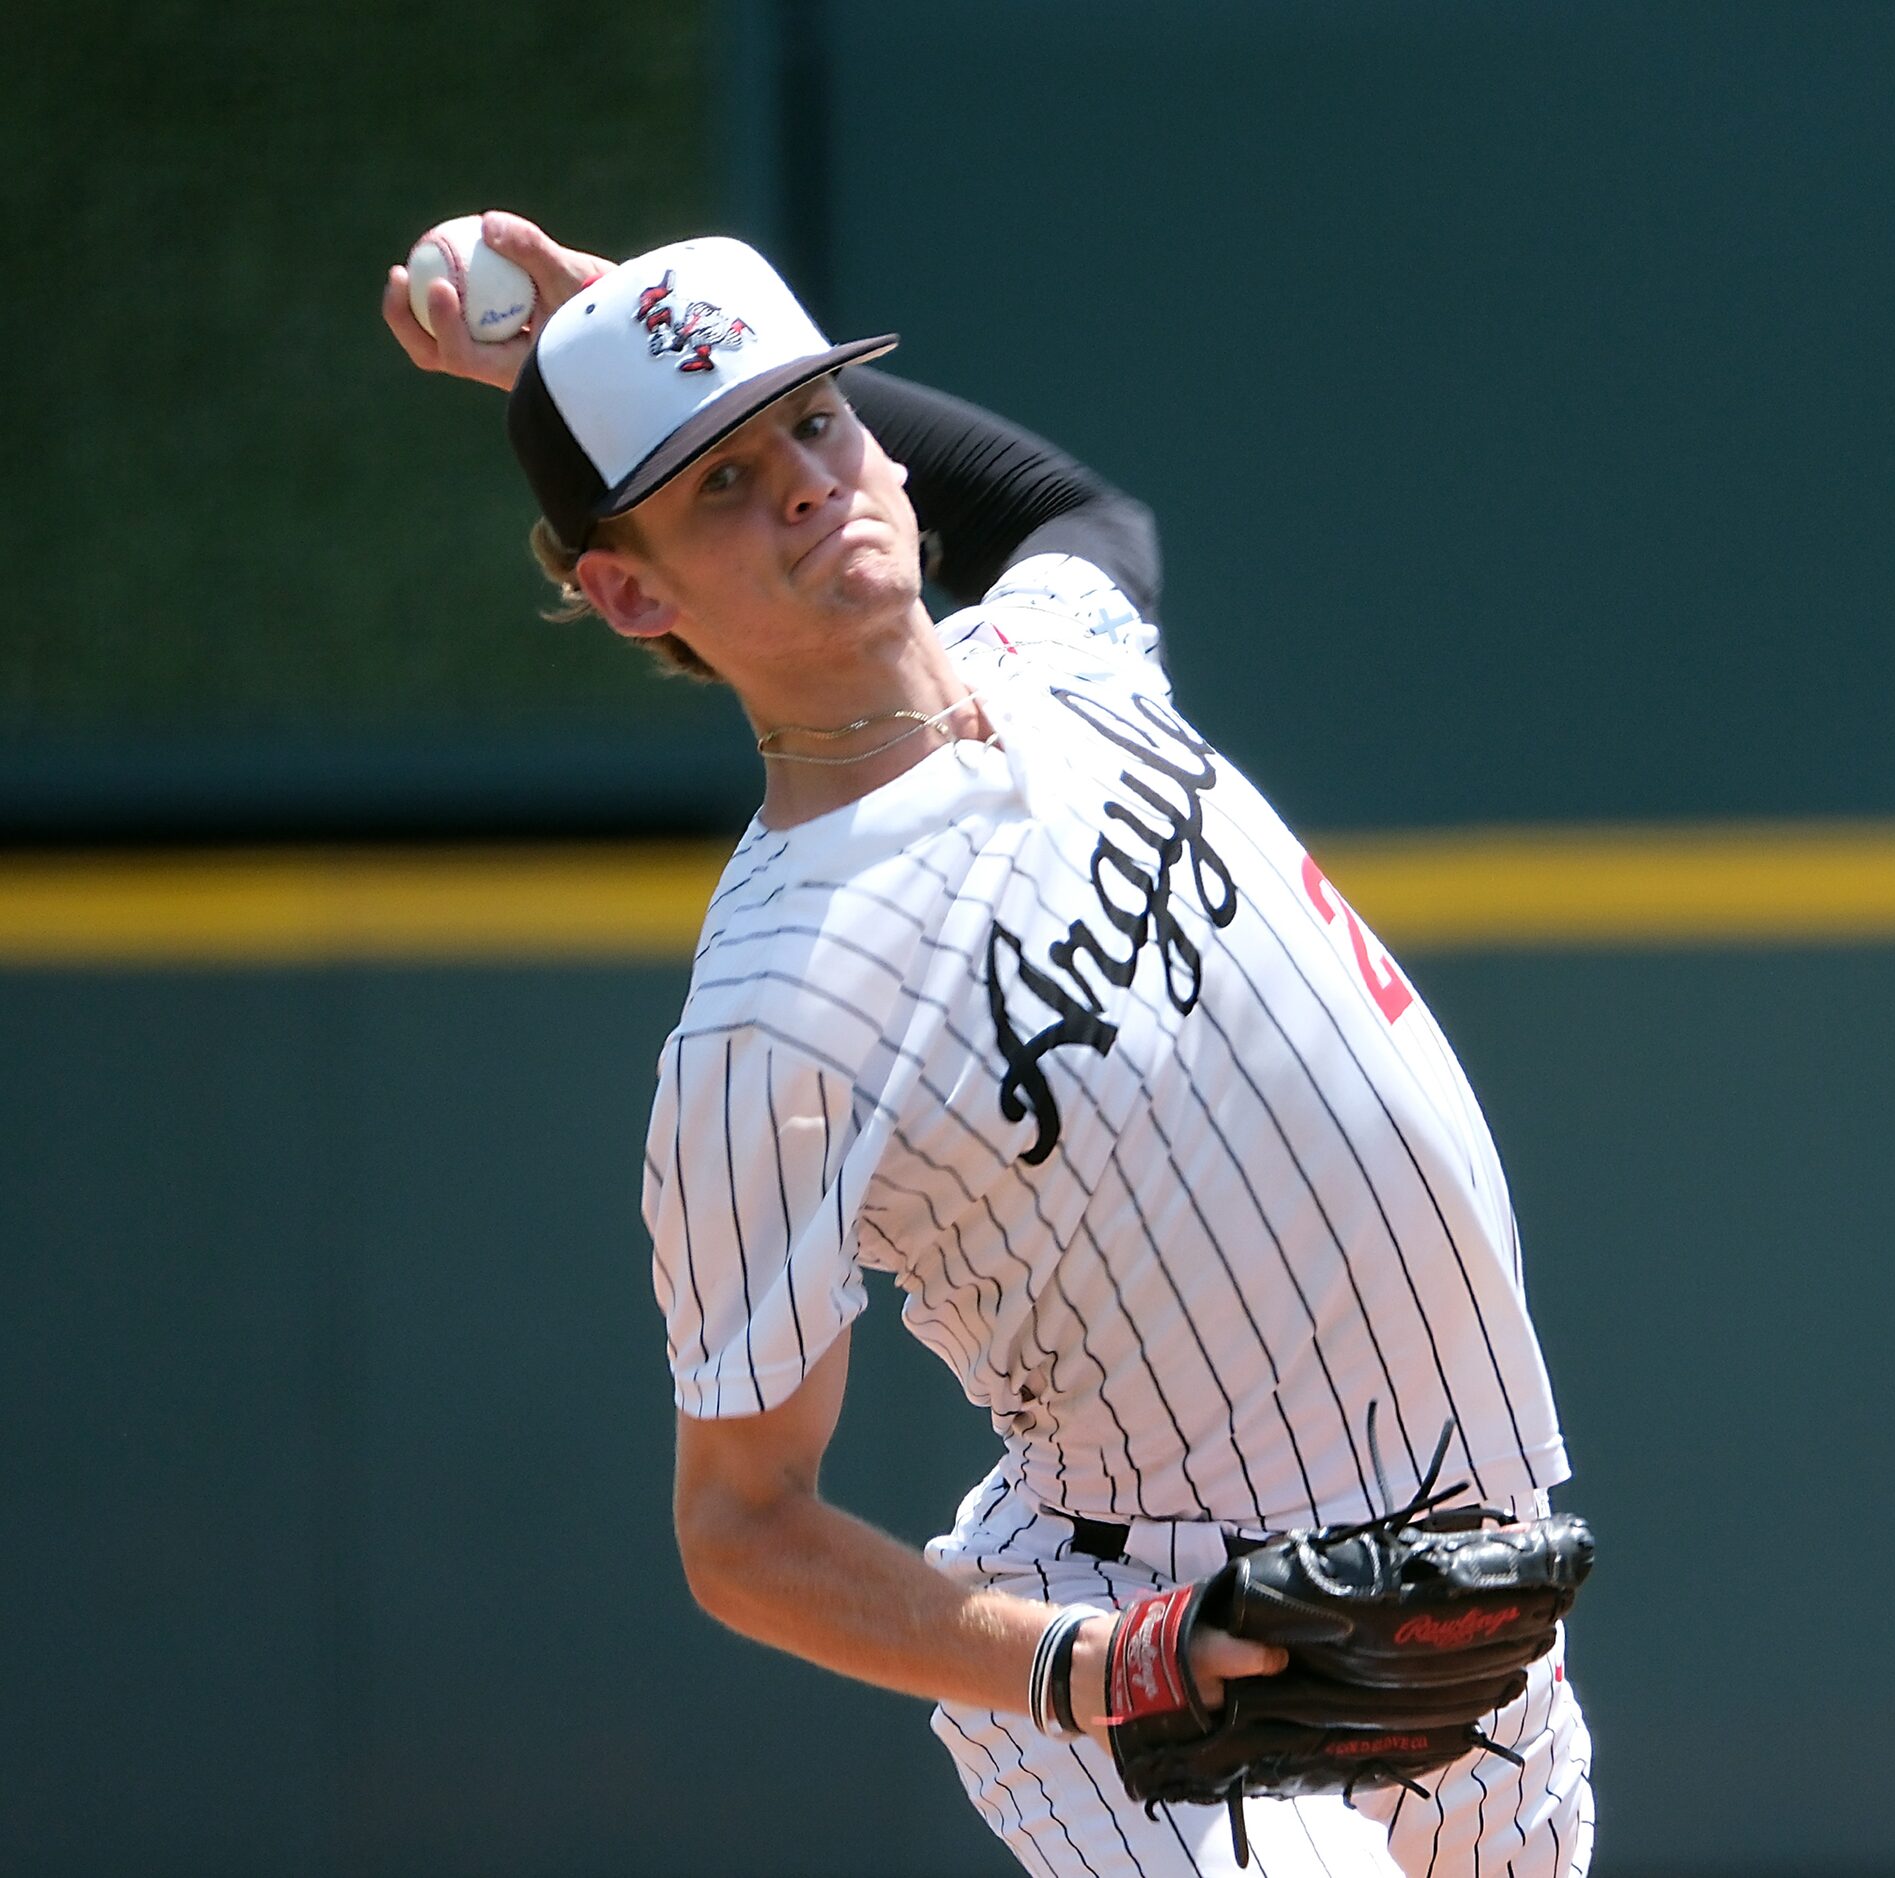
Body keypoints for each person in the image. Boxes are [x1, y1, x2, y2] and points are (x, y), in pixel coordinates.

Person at [385, 214, 1593, 1878]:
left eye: (813, 422)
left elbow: (1071, 509)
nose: (806, 480)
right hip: (1153, 1639)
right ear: (623, 586)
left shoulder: (1058, 649)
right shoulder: (770, 1012)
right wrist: (1098, 1664)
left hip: (1475, 1574)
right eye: (718, 484)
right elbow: (740, 1526)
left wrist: (608, 329)